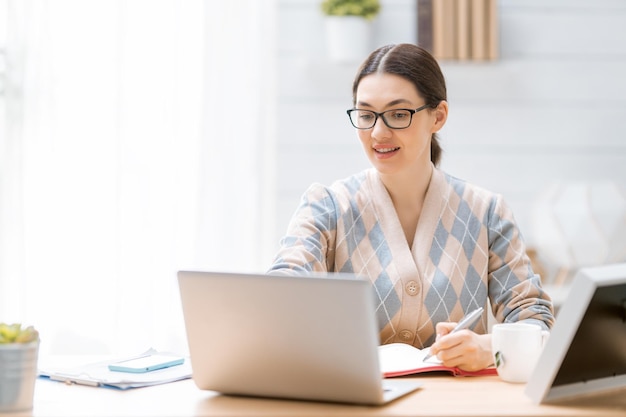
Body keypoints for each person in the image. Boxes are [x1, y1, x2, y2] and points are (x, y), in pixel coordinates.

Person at [268, 43, 554, 372]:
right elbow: (281, 295)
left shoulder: (487, 213)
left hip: (458, 404)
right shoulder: (325, 208)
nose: (378, 132)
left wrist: (489, 348)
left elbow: (537, 326)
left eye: (398, 114)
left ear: (438, 116)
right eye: (365, 115)